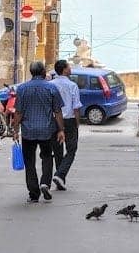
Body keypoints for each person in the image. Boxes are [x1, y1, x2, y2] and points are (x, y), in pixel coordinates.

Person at [13, 61, 65, 203]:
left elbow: (18, 112)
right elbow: (58, 111)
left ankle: (34, 194)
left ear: (31, 72)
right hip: (47, 130)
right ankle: (45, 183)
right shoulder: (51, 88)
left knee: (29, 162)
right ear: (43, 72)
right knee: (47, 157)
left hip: (28, 131)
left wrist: (15, 130)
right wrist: (61, 130)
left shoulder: (22, 89)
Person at [48, 59, 82, 190]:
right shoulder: (72, 85)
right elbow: (76, 107)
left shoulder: (50, 85)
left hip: (54, 119)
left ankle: (60, 179)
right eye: (69, 66)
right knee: (71, 149)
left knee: (57, 149)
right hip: (69, 119)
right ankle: (60, 174)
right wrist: (77, 123)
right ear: (64, 69)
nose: (70, 68)